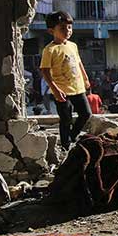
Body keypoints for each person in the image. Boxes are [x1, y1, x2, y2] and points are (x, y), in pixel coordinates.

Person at [40, 10, 92, 149]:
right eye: (62, 28)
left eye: (69, 27)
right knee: (66, 119)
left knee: (86, 114)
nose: (67, 31)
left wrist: (86, 79)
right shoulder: (50, 50)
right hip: (62, 90)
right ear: (51, 31)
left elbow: (79, 63)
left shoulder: (72, 46)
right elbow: (44, 71)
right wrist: (55, 90)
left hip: (78, 87)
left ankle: (72, 136)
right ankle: (65, 145)